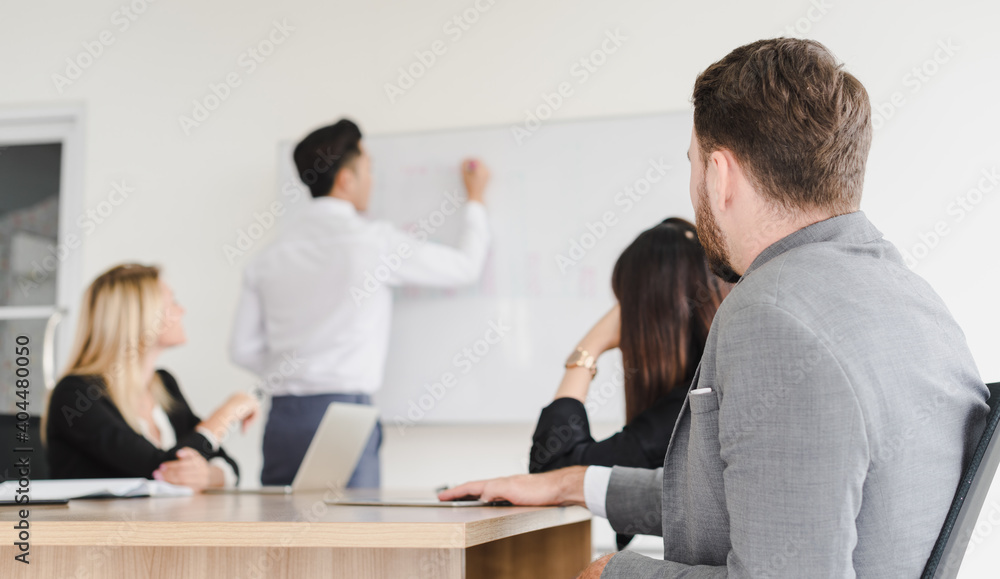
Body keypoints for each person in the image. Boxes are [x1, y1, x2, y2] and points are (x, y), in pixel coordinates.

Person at [440, 38, 990, 578]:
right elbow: (761, 500)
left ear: (720, 175)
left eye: (693, 163)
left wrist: (614, 573)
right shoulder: (913, 301)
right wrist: (571, 483)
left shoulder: (775, 315)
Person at [230, 118, 491, 488]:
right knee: (357, 536)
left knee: (281, 536)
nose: (373, 180)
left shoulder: (269, 257)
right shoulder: (373, 243)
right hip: (344, 415)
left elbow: (241, 350)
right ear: (345, 179)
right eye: (369, 170)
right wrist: (476, 200)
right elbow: (465, 267)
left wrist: (296, 369)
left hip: (283, 416)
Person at [529, 218, 728, 550]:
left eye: (624, 305)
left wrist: (588, 348)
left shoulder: (687, 405)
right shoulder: (704, 384)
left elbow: (553, 472)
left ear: (643, 315)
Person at [44, 264, 258, 491]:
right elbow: (161, 470)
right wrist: (226, 414)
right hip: (100, 526)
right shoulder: (76, 395)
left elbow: (230, 467)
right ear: (141, 318)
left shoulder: (163, 384)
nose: (182, 310)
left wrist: (205, 477)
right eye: (173, 303)